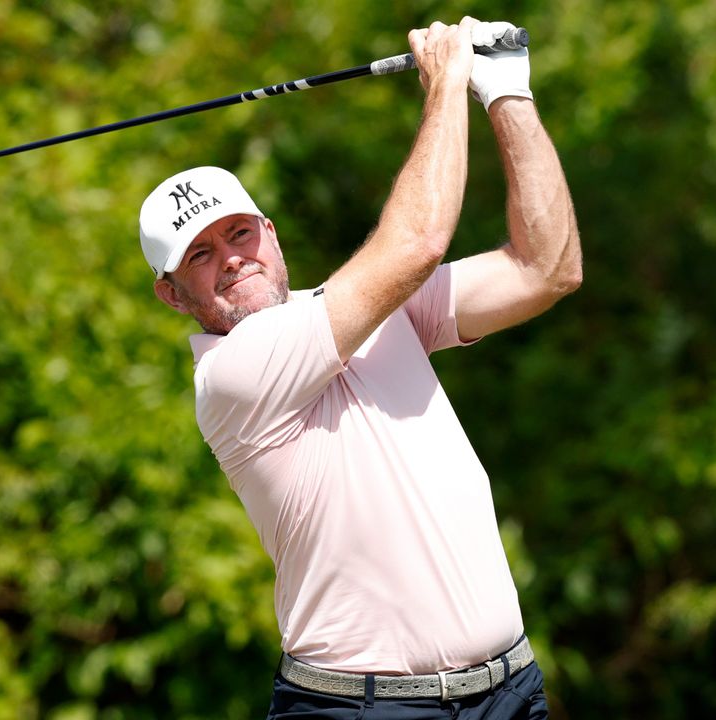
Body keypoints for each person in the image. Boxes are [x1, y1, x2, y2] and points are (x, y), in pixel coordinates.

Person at [138, 16, 581, 720]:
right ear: (172, 294)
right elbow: (417, 244)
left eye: (240, 233)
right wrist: (446, 82)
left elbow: (546, 269)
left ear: (270, 235)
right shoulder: (232, 374)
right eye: (200, 254)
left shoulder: (368, 313)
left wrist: (507, 91)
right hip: (364, 711)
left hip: (510, 694)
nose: (232, 258)